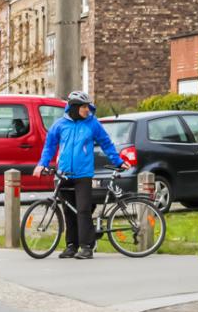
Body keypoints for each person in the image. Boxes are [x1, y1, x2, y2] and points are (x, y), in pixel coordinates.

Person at [34, 90, 130, 260]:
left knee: (83, 210)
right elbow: (49, 146)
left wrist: (118, 161)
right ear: (74, 107)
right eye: (84, 107)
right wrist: (42, 164)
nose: (87, 110)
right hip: (64, 174)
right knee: (68, 211)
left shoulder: (92, 124)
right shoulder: (60, 125)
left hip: (83, 174)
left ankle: (87, 247)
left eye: (88, 106)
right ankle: (71, 246)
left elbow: (106, 143)